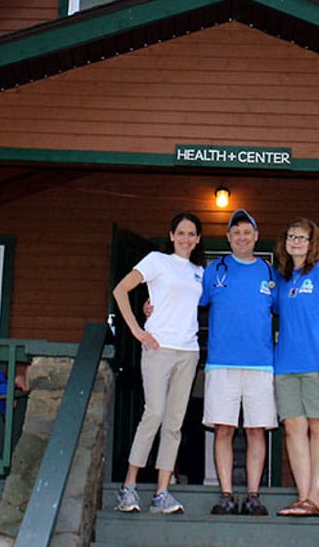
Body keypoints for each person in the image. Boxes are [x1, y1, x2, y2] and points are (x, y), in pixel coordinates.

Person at [111, 211, 206, 515]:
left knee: (175, 423)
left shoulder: (199, 272)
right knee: (154, 414)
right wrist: (138, 330)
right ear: (171, 235)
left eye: (192, 233)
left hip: (188, 351)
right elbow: (120, 290)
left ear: (198, 239)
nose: (186, 238)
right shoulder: (156, 260)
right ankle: (129, 487)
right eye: (181, 232)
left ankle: (162, 493)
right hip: (158, 347)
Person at [200, 208, 277, 516]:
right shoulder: (214, 270)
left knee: (257, 430)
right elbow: (187, 300)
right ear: (228, 237)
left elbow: (291, 311)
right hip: (221, 363)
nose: (242, 237)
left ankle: (254, 495)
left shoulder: (270, 273)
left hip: (261, 364)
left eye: (248, 232)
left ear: (256, 236)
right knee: (224, 429)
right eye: (236, 232)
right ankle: (227, 495)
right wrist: (152, 307)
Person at [271, 217, 319, 518]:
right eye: (291, 237)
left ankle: (317, 498)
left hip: (318, 362)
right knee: (293, 427)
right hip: (285, 364)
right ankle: (303, 498)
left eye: (302, 237)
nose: (296, 242)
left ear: (313, 243)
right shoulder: (282, 278)